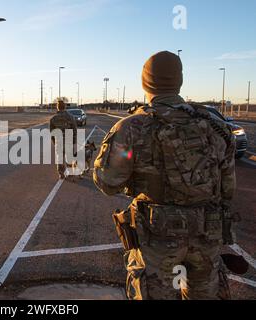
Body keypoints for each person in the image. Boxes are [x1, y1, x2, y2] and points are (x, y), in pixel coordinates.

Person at [94, 51, 237, 300]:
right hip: (207, 236)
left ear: (145, 82)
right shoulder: (216, 126)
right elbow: (228, 189)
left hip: (157, 240)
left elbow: (108, 183)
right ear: (179, 81)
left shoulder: (132, 128)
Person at [50, 100, 78, 179]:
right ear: (65, 107)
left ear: (57, 107)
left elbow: (52, 133)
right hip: (69, 140)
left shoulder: (53, 119)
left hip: (59, 140)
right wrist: (74, 142)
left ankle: (61, 174)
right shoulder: (70, 117)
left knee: (59, 158)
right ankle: (70, 173)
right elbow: (74, 130)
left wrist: (54, 142)